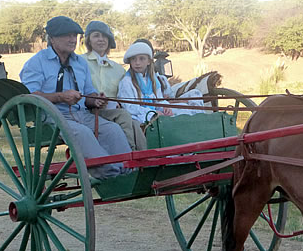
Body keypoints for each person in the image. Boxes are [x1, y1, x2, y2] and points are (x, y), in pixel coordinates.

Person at [20, 16, 131, 179]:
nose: (73, 39)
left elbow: (88, 93)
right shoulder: (36, 63)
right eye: (67, 35)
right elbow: (30, 96)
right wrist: (60, 97)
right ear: (52, 39)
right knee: (82, 133)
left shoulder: (80, 63)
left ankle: (128, 172)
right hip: (52, 117)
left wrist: (96, 99)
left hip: (82, 115)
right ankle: (110, 176)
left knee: (112, 130)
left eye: (75, 35)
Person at [81, 21, 146, 151]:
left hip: (113, 111)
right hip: (88, 110)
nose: (101, 39)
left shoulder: (118, 69)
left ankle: (144, 159)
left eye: (104, 36)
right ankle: (129, 153)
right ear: (89, 40)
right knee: (124, 117)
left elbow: (124, 93)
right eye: (96, 35)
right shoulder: (80, 62)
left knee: (136, 125)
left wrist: (119, 103)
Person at [118, 41, 204, 124]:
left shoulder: (153, 80)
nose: (137, 62)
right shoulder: (127, 82)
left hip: (155, 111)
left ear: (148, 61)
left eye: (142, 59)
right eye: (133, 59)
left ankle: (200, 124)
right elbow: (130, 107)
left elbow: (159, 100)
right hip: (140, 115)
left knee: (187, 110)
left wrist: (165, 107)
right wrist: (154, 112)